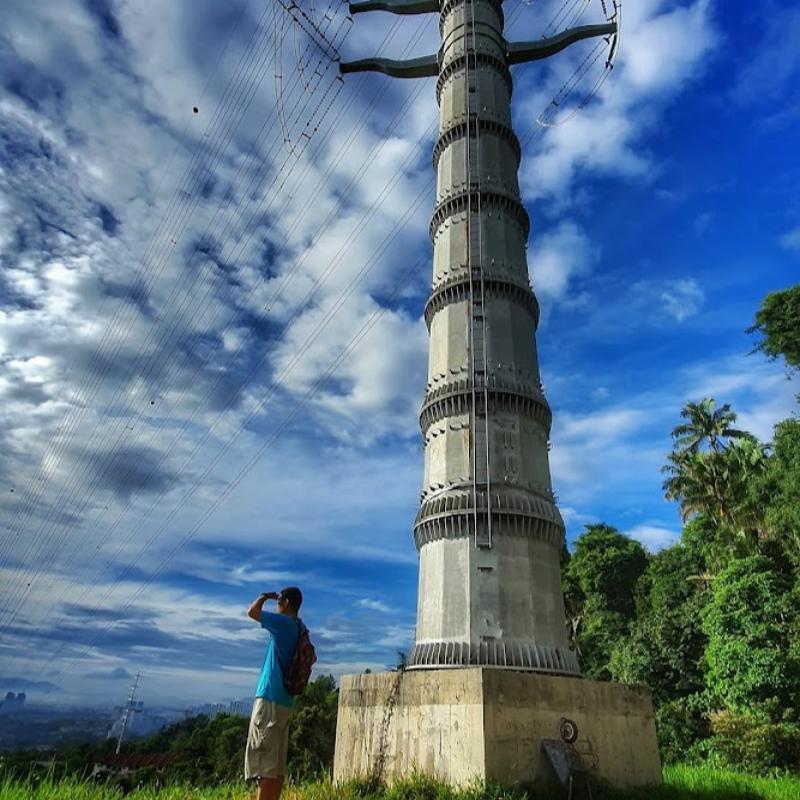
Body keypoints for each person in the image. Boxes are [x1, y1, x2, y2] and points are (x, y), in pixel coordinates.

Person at [245, 587, 304, 800]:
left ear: (287, 603)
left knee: (263, 767)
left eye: (279, 601)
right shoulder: (299, 627)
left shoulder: (283, 624)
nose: (277, 604)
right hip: (285, 702)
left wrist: (263, 597)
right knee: (277, 767)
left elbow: (252, 612)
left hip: (270, 698)